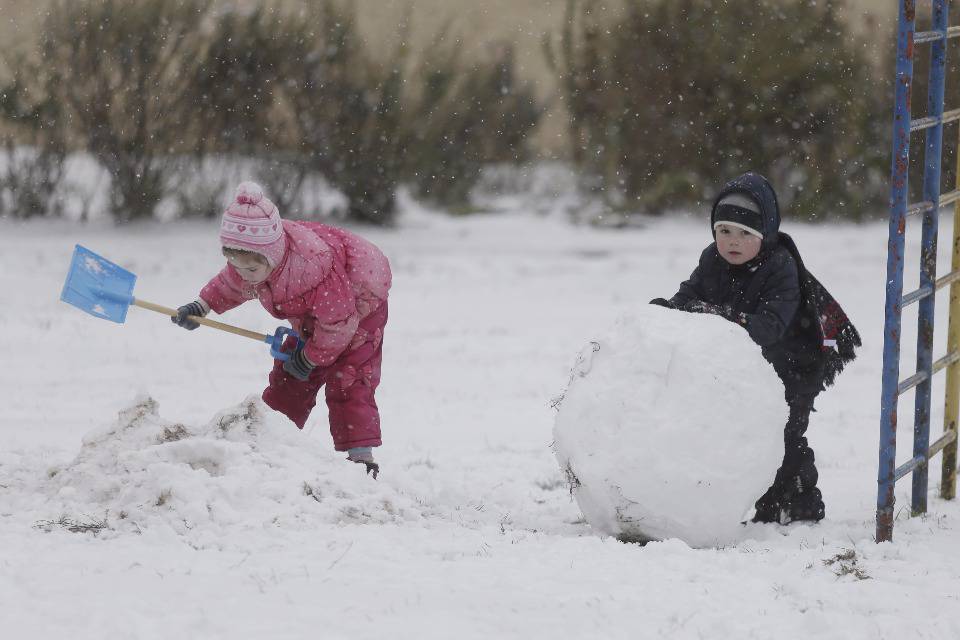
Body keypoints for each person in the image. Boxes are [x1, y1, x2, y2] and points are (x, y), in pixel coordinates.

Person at [650, 171, 860, 524]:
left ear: (765, 234)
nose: (732, 241)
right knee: (738, 429)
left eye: (745, 233)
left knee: (782, 432)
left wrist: (717, 314)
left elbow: (768, 328)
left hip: (793, 362)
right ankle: (742, 495)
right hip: (750, 365)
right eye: (724, 231)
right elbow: (691, 295)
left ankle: (797, 500)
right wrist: (670, 308)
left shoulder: (780, 267)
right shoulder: (711, 260)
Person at [173, 182, 391, 478]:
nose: (243, 275)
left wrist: (313, 356)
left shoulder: (311, 266)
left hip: (359, 308)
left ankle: (361, 457)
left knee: (349, 378)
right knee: (290, 371)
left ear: (271, 255)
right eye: (235, 265)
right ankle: (270, 437)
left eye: (249, 269)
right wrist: (202, 305)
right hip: (319, 314)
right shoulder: (253, 262)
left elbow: (339, 322)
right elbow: (230, 284)